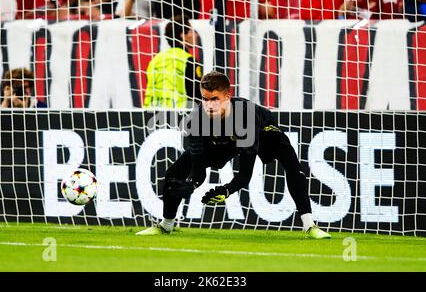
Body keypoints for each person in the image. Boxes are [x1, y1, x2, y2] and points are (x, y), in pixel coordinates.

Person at [136, 71, 331, 239]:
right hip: (223, 142)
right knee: (173, 172)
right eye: (205, 99)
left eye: (214, 99)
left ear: (227, 97)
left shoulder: (245, 118)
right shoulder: (196, 120)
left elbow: (245, 174)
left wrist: (227, 190)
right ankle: (165, 225)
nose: (209, 105)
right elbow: (198, 167)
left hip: (263, 133)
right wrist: (193, 184)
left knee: (292, 164)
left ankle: (310, 225)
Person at [143, 14, 203, 108]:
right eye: (191, 31)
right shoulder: (188, 60)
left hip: (153, 116)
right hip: (179, 116)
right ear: (183, 35)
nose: (195, 35)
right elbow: (197, 95)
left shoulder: (155, 60)